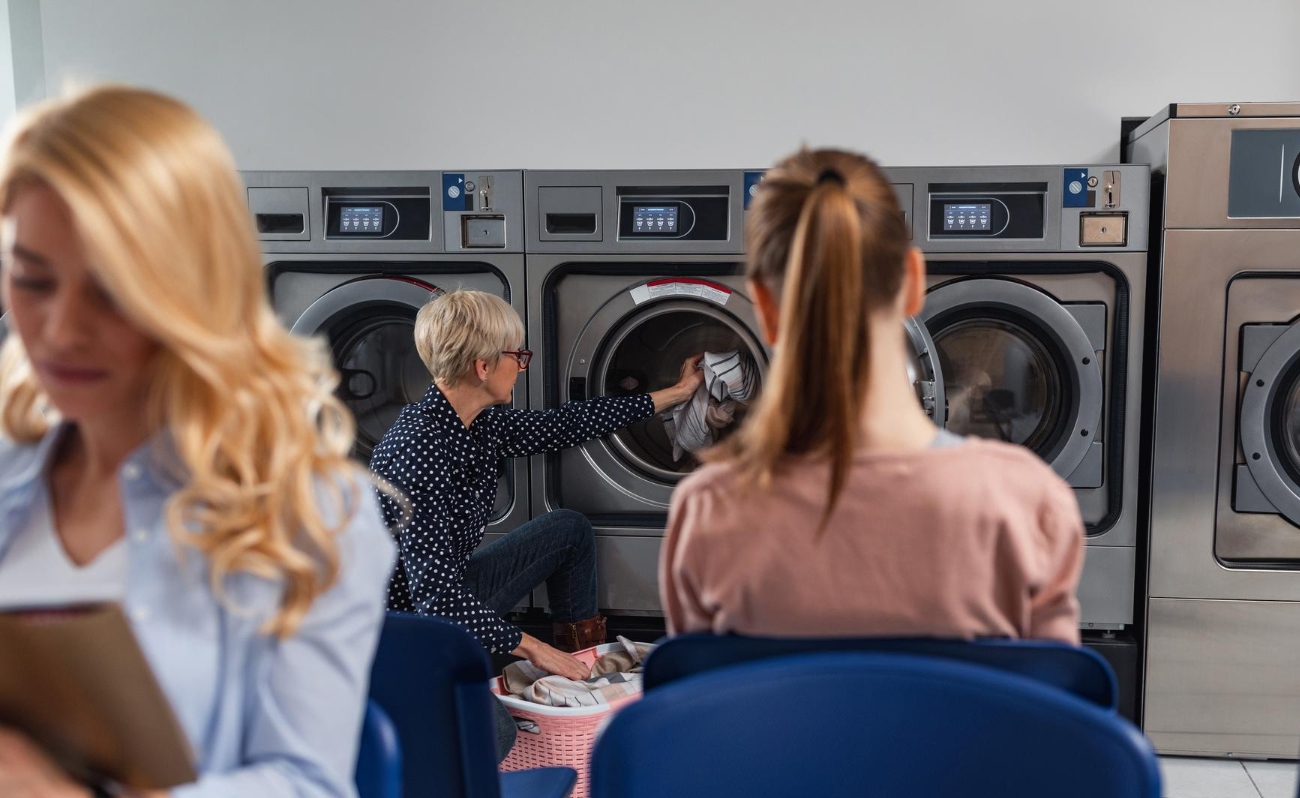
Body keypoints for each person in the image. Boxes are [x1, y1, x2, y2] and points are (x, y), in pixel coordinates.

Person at [0, 86, 394, 798]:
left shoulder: (305, 511)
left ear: (190, 286)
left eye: (108, 288)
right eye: (31, 277)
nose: (59, 329)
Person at [660, 148, 1086, 644]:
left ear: (767, 312)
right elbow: (1052, 706)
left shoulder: (709, 508)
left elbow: (698, 705)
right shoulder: (1026, 500)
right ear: (911, 282)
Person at [369, 289, 700, 721]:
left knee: (567, 529)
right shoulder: (418, 450)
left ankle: (582, 676)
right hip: (404, 631)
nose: (522, 366)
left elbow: (564, 424)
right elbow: (434, 599)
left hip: (446, 594)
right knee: (499, 735)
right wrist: (534, 648)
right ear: (483, 367)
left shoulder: (475, 423)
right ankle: (545, 675)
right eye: (518, 356)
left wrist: (676, 393)